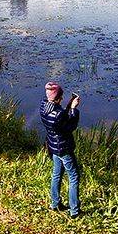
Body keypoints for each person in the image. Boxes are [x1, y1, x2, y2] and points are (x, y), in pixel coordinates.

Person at [40, 81, 81, 217]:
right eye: (61, 98)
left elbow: (61, 117)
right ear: (57, 99)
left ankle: (55, 203)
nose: (62, 99)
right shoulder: (57, 115)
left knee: (56, 174)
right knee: (74, 176)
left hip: (53, 146)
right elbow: (70, 126)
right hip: (63, 148)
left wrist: (69, 105)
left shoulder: (43, 106)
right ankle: (74, 211)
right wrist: (74, 109)